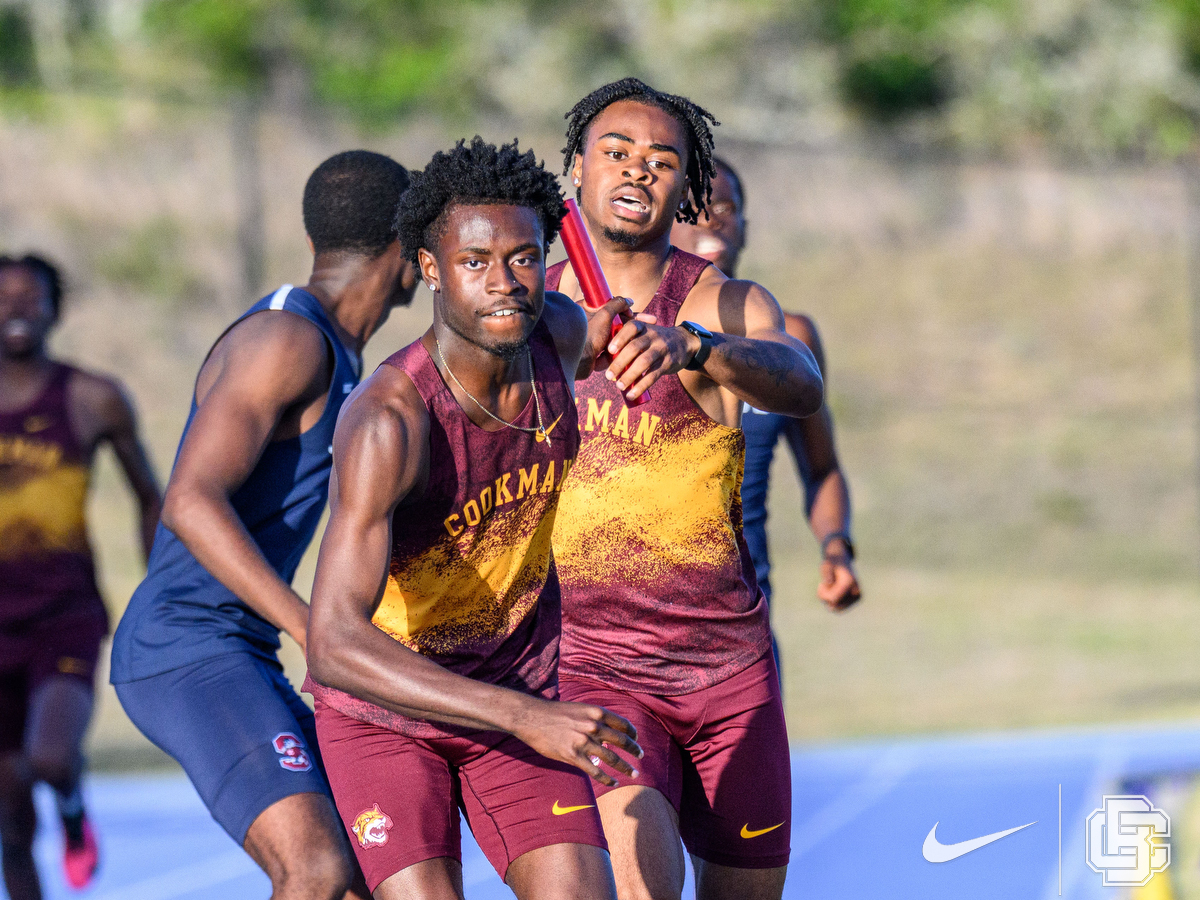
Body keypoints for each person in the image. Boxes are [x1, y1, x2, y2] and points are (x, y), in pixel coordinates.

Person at [303, 136, 642, 900]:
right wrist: (525, 715)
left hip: (510, 694)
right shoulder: (389, 421)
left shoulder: (555, 332)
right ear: (429, 269)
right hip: (388, 714)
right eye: (476, 262)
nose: (504, 284)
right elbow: (330, 643)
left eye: (524, 259)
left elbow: (593, 341)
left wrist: (626, 337)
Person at [110, 150, 417, 900]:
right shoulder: (286, 340)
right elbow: (189, 499)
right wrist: (315, 629)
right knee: (314, 869)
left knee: (362, 876)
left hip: (239, 649)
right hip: (185, 647)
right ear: (408, 248)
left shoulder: (346, 352)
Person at [547, 78, 824, 900]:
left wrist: (694, 348)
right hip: (594, 666)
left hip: (728, 670)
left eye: (662, 161)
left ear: (686, 187)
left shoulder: (723, 302)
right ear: (578, 168)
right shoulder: (527, 304)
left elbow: (800, 381)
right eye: (617, 153)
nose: (637, 171)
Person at [0, 254, 162, 899]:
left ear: (55, 309)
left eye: (30, 297)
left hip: (62, 612)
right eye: (3, 297)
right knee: (9, 819)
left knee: (50, 758)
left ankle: (71, 809)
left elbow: (151, 496)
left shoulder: (91, 397)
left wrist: (157, 592)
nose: (16, 309)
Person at [670, 156, 861, 675]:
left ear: (746, 227)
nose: (711, 220)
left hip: (743, 624)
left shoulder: (790, 342)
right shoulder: (634, 339)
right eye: (692, 209)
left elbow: (821, 469)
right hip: (634, 632)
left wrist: (836, 549)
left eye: (726, 207)